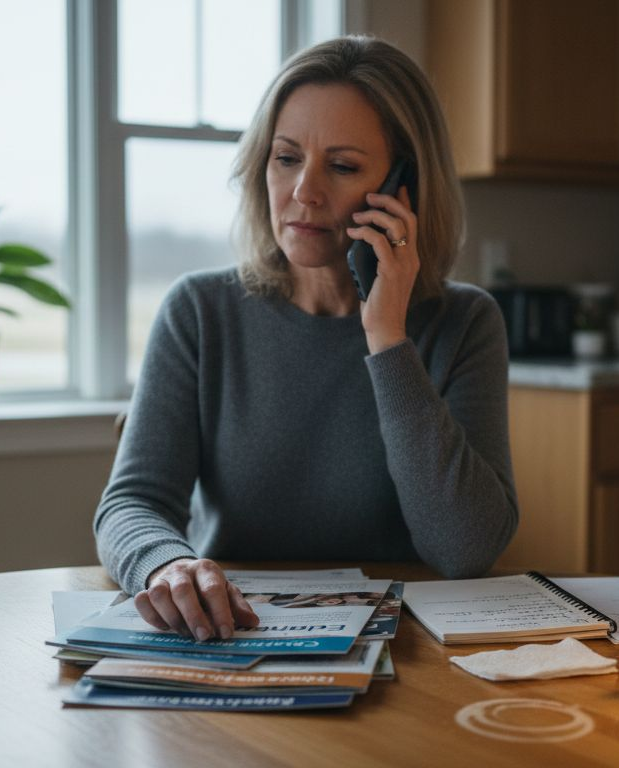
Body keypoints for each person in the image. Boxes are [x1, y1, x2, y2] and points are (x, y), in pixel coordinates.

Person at [94, 35, 519, 643]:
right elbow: (131, 502)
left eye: (342, 166)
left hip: (410, 654)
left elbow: (466, 549)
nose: (303, 192)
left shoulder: (466, 323)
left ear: (405, 188)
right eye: (286, 157)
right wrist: (168, 564)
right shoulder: (199, 311)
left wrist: (387, 338)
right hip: (233, 638)